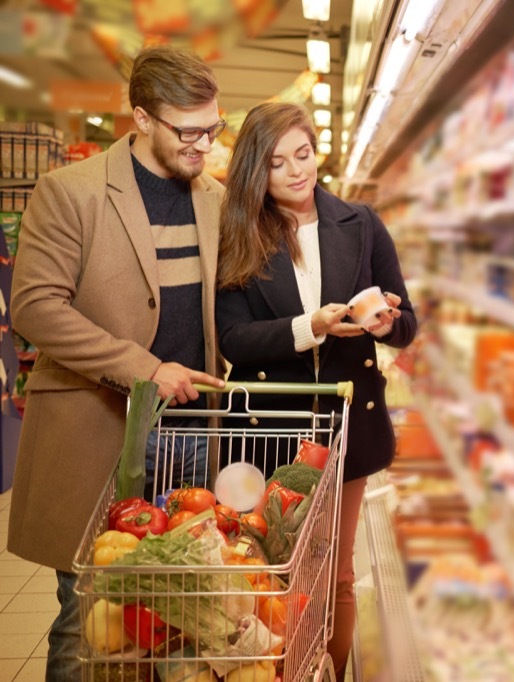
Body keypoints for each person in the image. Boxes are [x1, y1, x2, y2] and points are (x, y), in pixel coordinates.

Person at [7, 45, 226, 681]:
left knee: (171, 616)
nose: (203, 144)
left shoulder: (210, 197)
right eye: (189, 131)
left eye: (211, 127)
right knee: (89, 619)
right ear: (142, 118)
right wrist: (142, 366)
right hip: (102, 432)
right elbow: (35, 307)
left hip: (189, 441)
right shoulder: (70, 191)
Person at [216, 101, 417, 676]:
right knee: (270, 571)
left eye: (302, 154)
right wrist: (314, 326)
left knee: (337, 572)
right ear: (258, 171)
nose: (296, 172)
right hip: (269, 429)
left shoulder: (361, 222)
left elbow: (408, 322)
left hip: (346, 427)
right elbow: (235, 338)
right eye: (278, 163)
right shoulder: (239, 233)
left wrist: (387, 322)